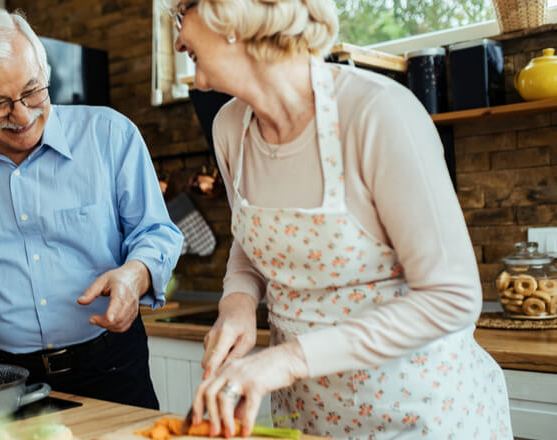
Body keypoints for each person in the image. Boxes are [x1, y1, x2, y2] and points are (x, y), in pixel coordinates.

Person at [172, 0, 512, 438]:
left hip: (419, 413)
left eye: (184, 13)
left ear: (237, 13)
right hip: (307, 416)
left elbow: (452, 297)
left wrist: (288, 359)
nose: (178, 38)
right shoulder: (229, 128)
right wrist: (237, 304)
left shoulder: (378, 113)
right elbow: (253, 242)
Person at [0, 9, 182, 410]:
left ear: (45, 75)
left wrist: (136, 275)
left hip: (111, 366)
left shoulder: (110, 135)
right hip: (2, 375)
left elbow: (156, 233)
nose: (22, 116)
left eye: (31, 92)